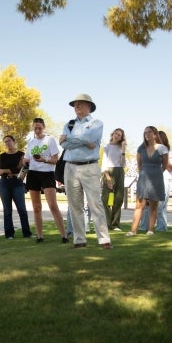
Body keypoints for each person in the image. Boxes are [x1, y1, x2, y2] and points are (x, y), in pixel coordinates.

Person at [60, 94, 112, 249]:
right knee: (75, 205)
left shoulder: (97, 123)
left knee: (95, 204)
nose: (77, 107)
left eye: (80, 104)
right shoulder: (69, 124)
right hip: (70, 166)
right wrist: (84, 142)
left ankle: (104, 240)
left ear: (89, 106)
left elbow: (82, 138)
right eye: (75, 105)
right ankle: (79, 239)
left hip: (90, 166)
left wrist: (70, 140)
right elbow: (62, 144)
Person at [24, 117, 68, 243]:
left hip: (47, 174)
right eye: (35, 128)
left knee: (52, 205)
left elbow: (56, 160)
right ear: (33, 128)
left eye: (39, 128)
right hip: (32, 174)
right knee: (36, 207)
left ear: (43, 128)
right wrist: (25, 161)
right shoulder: (31, 143)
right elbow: (26, 159)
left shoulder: (50, 140)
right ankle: (39, 236)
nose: (37, 130)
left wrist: (44, 160)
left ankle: (64, 236)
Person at [126, 126, 168, 236]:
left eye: (149, 132)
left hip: (156, 178)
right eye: (145, 133)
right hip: (143, 177)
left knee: (154, 206)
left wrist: (156, 173)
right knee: (139, 205)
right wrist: (144, 173)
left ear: (155, 134)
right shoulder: (141, 148)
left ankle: (150, 230)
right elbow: (139, 165)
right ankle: (133, 231)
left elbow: (164, 165)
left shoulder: (162, 148)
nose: (147, 134)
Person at [0, 135, 32, 239]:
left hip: (17, 183)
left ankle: (27, 233)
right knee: (7, 210)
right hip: (4, 184)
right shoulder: (2, 156)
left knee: (22, 209)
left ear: (14, 141)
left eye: (9, 141)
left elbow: (25, 168)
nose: (8, 143)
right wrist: (14, 170)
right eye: (5, 142)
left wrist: (6, 170)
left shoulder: (21, 155)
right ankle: (9, 234)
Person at [101, 128, 127, 231]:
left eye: (119, 135)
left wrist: (124, 150)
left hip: (119, 172)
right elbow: (104, 163)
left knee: (118, 199)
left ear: (121, 137)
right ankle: (107, 223)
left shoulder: (121, 147)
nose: (117, 136)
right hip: (109, 172)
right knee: (105, 199)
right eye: (116, 133)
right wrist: (108, 178)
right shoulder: (107, 147)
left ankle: (115, 224)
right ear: (112, 134)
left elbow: (123, 164)